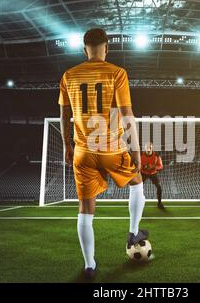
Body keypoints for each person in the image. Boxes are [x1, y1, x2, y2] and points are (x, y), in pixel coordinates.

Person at [58, 28, 148, 280]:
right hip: (112, 148)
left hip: (83, 151)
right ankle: (132, 233)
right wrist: (137, 150)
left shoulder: (69, 75)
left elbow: (65, 115)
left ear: (84, 49)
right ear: (106, 48)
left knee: (85, 209)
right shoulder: (117, 73)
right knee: (137, 184)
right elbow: (127, 113)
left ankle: (89, 266)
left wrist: (67, 145)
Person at [141, 142, 164, 209]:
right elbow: (138, 166)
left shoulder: (156, 156)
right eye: (147, 147)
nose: (148, 148)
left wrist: (153, 167)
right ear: (144, 148)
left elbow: (161, 166)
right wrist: (143, 167)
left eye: (150, 147)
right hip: (143, 173)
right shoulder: (141, 155)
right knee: (138, 187)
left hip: (153, 173)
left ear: (152, 148)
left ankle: (159, 203)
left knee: (159, 186)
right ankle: (139, 201)